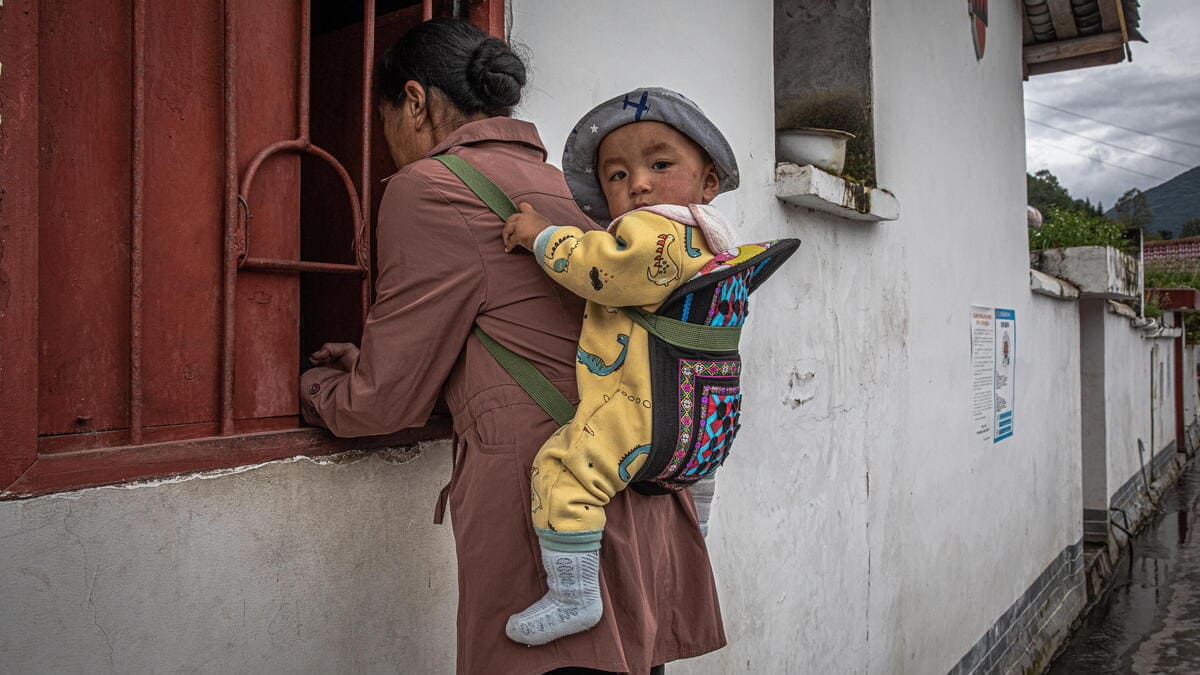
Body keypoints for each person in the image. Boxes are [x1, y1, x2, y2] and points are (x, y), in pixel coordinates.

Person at [300, 22, 725, 675]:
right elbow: (516, 329)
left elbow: (382, 403)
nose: (388, 147)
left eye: (385, 123)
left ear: (415, 101)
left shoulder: (431, 187)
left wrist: (317, 388)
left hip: (546, 528)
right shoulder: (573, 191)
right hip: (639, 511)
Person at [499, 88, 796, 647]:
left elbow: (600, 268)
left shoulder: (654, 232)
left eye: (660, 165)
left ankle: (574, 595)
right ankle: (698, 534)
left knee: (564, 473)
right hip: (703, 412)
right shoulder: (717, 243)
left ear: (708, 181)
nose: (637, 183)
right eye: (616, 175)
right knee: (701, 472)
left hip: (641, 406)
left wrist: (540, 235)